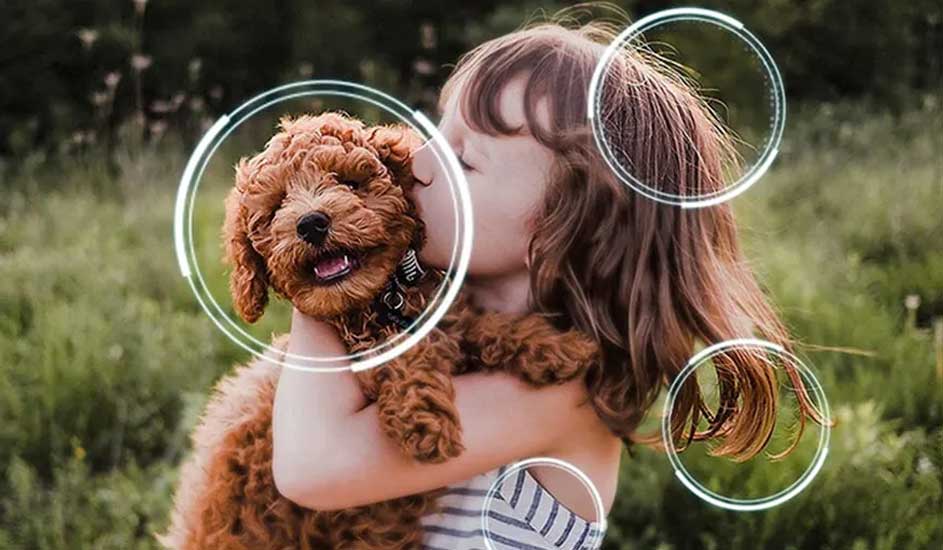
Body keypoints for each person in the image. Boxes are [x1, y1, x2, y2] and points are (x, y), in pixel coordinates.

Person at [270, 10, 826, 550]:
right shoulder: (446, 334)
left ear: (560, 228)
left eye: (465, 160)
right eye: (436, 131)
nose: (417, 161)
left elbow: (311, 468)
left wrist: (320, 282)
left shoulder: (557, 394)